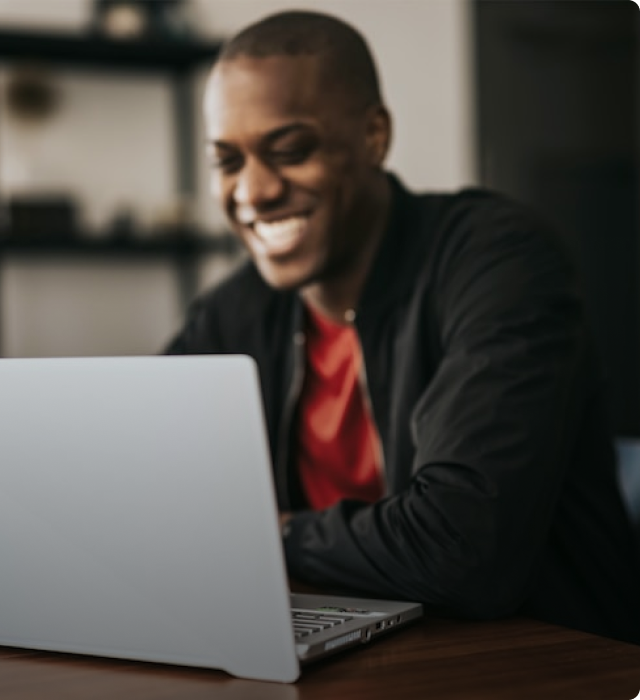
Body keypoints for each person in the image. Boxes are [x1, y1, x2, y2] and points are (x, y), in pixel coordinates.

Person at [164, 9, 640, 645]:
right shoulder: (237, 309)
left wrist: (270, 533)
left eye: (290, 151)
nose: (252, 191)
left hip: (543, 658)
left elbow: (462, 550)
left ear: (374, 135)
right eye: (227, 161)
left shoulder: (499, 260)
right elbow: (145, 486)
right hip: (357, 647)